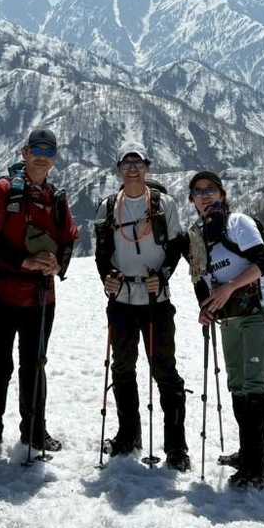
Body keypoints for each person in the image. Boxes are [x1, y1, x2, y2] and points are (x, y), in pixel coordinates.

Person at [0, 126, 78, 458]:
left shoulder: (56, 198)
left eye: (49, 152)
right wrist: (25, 262)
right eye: (37, 151)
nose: (42, 158)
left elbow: (68, 240)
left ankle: (34, 433)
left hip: (40, 298)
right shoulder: (2, 191)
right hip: (1, 297)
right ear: (25, 153)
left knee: (34, 366)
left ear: (54, 159)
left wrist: (57, 265)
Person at [94, 144, 190, 470]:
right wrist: (107, 277)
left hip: (155, 300)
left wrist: (162, 276)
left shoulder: (164, 204)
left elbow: (175, 246)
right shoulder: (109, 207)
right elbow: (102, 253)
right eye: (127, 163)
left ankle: (176, 447)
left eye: (138, 163)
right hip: (122, 299)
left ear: (147, 167)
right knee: (122, 369)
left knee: (164, 371)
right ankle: (128, 436)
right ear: (119, 169)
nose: (132, 168)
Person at [186, 170, 264, 489]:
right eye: (198, 192)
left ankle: (256, 467)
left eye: (210, 190)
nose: (205, 196)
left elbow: (263, 262)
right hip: (230, 316)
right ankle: (246, 452)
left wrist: (229, 287)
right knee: (237, 383)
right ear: (192, 201)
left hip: (258, 311)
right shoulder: (197, 237)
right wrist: (205, 308)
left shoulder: (238, 223)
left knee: (254, 384)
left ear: (222, 195)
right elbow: (199, 280)